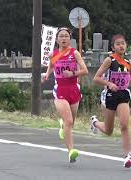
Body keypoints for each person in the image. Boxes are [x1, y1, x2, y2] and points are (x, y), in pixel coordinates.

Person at [90, 34, 131, 168]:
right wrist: (109, 84)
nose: (121, 46)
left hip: (123, 95)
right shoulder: (109, 60)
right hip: (110, 95)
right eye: (118, 44)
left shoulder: (128, 62)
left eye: (123, 43)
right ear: (113, 47)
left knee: (124, 125)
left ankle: (127, 156)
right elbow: (96, 78)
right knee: (108, 131)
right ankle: (95, 123)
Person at [42, 27, 88, 163]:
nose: (63, 38)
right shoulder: (54, 54)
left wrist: (73, 73)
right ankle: (71, 151)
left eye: (66, 36)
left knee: (71, 122)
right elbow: (51, 66)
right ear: (57, 40)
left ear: (70, 39)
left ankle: (63, 127)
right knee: (68, 121)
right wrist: (47, 74)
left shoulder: (75, 53)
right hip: (60, 89)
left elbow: (85, 70)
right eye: (61, 36)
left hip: (74, 89)